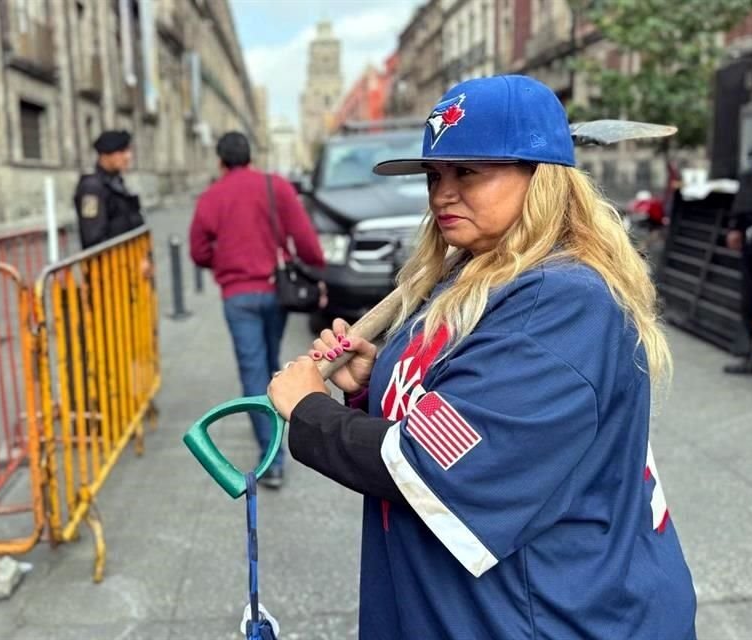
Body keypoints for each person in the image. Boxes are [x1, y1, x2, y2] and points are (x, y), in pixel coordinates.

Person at [268, 75, 697, 638]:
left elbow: (432, 462)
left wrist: (309, 411)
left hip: (545, 610)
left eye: (468, 171)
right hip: (466, 602)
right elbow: (461, 409)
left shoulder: (562, 301)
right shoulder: (470, 270)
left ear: (540, 179)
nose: (442, 193)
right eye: (435, 174)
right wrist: (373, 386)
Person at [190, 132, 325, 489]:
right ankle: (282, 431)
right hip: (274, 291)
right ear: (251, 156)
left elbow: (198, 251)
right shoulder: (274, 186)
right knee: (269, 363)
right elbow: (304, 236)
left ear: (220, 162)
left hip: (238, 296)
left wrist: (225, 259)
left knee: (253, 372)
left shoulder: (211, 197)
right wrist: (318, 267)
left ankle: (272, 460)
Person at [723, 143, 752, 378]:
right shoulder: (750, 177)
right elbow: (741, 210)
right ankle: (751, 356)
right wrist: (735, 229)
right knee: (749, 302)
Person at [74, 130, 145, 249]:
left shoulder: (116, 182)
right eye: (122, 151)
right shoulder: (92, 188)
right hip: (110, 264)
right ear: (105, 155)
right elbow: (93, 238)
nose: (128, 156)